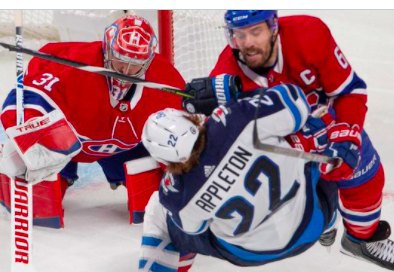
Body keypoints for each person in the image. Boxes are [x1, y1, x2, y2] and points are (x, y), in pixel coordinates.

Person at [182, 10, 394, 271]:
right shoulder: (226, 76)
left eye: (255, 32)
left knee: (364, 171)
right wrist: (198, 115)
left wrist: (347, 134)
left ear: (273, 26)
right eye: (239, 34)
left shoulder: (309, 34)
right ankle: (324, 217)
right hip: (278, 146)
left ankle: (360, 240)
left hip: (327, 122)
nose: (247, 43)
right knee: (288, 195)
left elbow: (350, 91)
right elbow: (222, 145)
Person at [0, 15, 186, 228]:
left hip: (122, 147)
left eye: (135, 64)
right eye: (120, 58)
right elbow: (24, 98)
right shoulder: (71, 62)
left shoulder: (165, 79)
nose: (125, 70)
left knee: (157, 199)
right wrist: (33, 135)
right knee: (41, 205)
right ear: (107, 48)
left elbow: (186, 131)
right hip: (64, 146)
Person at [138, 84, 340, 271]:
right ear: (189, 119)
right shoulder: (238, 119)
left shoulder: (177, 194)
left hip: (248, 254)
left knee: (158, 209)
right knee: (320, 131)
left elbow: (194, 229)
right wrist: (235, 95)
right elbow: (295, 100)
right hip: (311, 223)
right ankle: (331, 222)